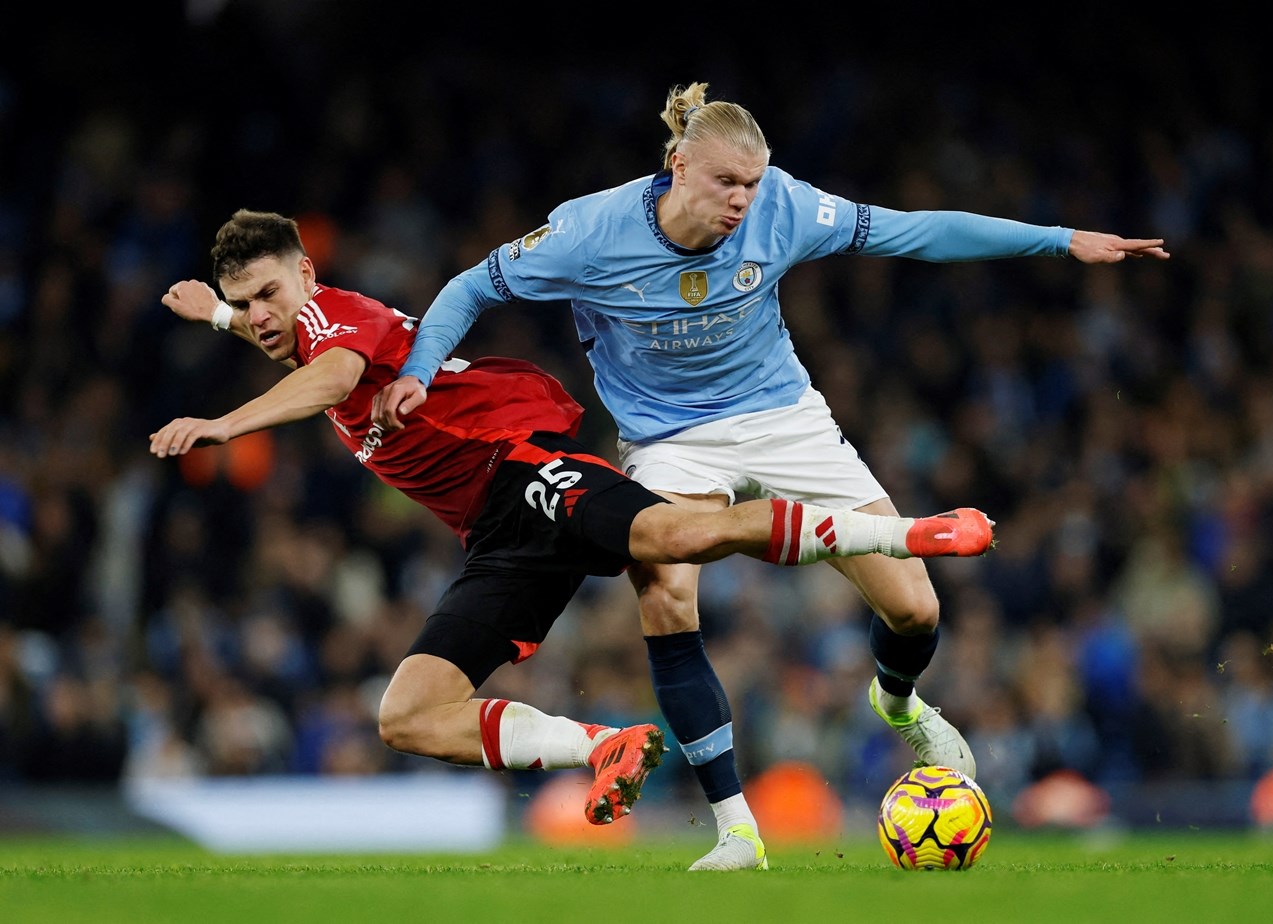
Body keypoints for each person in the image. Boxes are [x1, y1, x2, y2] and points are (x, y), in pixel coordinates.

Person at [372, 82, 1170, 870]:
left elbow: (913, 233)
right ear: (679, 165)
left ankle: (896, 703)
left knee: (917, 610)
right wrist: (417, 369)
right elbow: (474, 284)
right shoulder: (592, 231)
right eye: (726, 183)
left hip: (786, 421)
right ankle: (736, 833)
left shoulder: (785, 207)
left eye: (752, 184)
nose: (742, 202)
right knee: (667, 592)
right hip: (670, 441)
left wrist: (1060, 239)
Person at [149, 209, 994, 835]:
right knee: (407, 714)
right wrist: (215, 315)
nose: (258, 314)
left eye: (267, 292)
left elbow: (333, 377)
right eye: (243, 304)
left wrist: (225, 424)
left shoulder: (338, 318)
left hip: (520, 465)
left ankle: (904, 533)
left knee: (678, 536)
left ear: (305, 270)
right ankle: (603, 746)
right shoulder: (287, 323)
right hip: (493, 533)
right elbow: (285, 339)